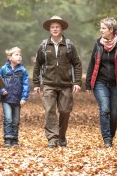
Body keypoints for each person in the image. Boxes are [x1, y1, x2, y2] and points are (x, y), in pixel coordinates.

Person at [33, 15, 83, 148]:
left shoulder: (69, 45)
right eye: (52, 27)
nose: (55, 29)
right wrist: (36, 83)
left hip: (66, 84)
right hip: (48, 84)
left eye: (57, 27)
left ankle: (61, 135)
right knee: (49, 110)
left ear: (61, 28)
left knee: (65, 111)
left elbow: (77, 64)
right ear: (49, 29)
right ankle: (52, 139)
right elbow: (37, 65)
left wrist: (77, 82)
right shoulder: (44, 45)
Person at [85, 17, 117, 147]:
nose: (101, 30)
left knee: (114, 112)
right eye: (101, 28)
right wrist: (88, 83)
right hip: (101, 83)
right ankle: (107, 139)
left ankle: (111, 136)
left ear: (111, 30)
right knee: (105, 109)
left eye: (103, 28)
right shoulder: (98, 44)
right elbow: (92, 64)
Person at [0, 47, 30, 147]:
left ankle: (15, 139)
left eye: (20, 55)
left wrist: (24, 97)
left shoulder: (23, 70)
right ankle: (7, 138)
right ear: (10, 57)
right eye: (16, 55)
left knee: (16, 120)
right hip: (6, 99)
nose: (19, 57)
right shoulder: (4, 69)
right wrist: (2, 90)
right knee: (8, 118)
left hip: (17, 99)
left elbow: (26, 84)